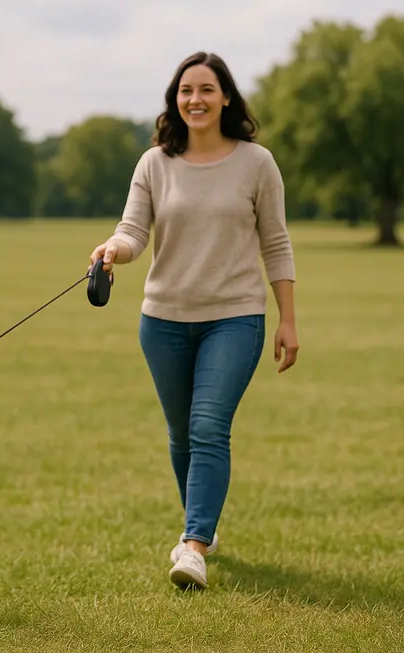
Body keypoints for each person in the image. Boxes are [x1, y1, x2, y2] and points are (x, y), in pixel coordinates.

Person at [88, 51, 299, 590]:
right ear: (174, 100)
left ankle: (194, 544)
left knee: (208, 427)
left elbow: (275, 243)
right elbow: (133, 231)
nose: (195, 100)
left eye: (207, 89)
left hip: (236, 316)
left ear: (226, 97)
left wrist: (288, 319)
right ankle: (201, 524)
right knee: (182, 434)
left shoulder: (257, 163)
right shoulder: (155, 163)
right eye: (186, 91)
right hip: (163, 320)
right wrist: (113, 249)